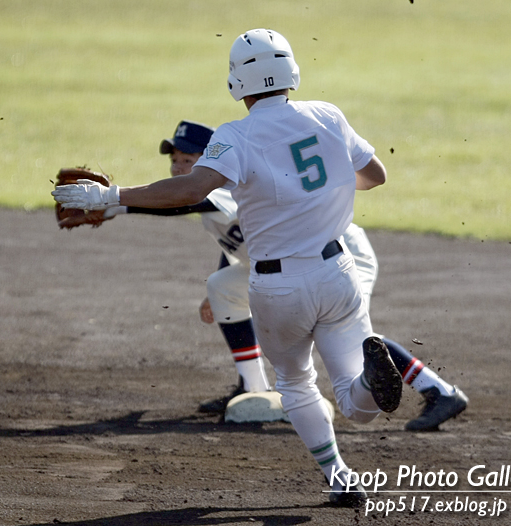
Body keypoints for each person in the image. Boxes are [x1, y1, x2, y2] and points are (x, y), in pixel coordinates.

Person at [52, 29, 452, 506]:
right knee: (355, 403)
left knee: (296, 382)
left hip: (278, 285)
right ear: (291, 72)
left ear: (236, 83)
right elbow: (375, 176)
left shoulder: (235, 135)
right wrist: (328, 187)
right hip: (337, 269)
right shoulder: (328, 115)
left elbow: (190, 191)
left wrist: (112, 197)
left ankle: (340, 475)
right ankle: (369, 383)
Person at [106, 120, 468, 430]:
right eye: (175, 160)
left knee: (351, 339)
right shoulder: (225, 193)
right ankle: (253, 390)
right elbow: (238, 243)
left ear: (210, 159)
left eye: (189, 160)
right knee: (221, 286)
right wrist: (225, 295)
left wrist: (112, 206)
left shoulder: (224, 187)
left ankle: (440, 391)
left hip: (341, 254)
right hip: (297, 257)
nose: (178, 168)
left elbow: (185, 201)